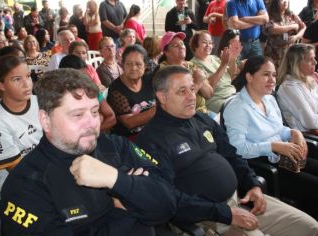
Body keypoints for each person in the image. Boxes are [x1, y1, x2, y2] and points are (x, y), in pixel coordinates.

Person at [135, 65, 318, 236]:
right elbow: (167, 198)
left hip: (241, 199)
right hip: (208, 217)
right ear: (162, 97)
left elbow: (230, 154)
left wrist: (252, 183)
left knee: (311, 228)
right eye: (182, 92)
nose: (192, 96)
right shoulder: (151, 140)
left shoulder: (201, 119)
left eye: (192, 88)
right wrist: (226, 213)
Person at [0, 68, 177, 235]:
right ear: (45, 120)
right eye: (77, 115)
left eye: (94, 112)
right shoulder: (25, 186)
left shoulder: (114, 145)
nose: (92, 123)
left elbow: (167, 205)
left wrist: (116, 179)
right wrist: (130, 206)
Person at [224, 55, 318, 218]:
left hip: (287, 156)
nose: (272, 79)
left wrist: (293, 132)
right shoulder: (238, 107)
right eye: (266, 74)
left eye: (274, 75)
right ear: (249, 77)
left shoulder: (269, 99)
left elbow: (278, 128)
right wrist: (273, 146)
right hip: (264, 165)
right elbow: (236, 148)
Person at [0, 55, 43, 189]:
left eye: (28, 76)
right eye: (17, 79)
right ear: (1, 85)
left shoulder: (39, 101)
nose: (26, 84)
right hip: (20, 180)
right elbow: (16, 169)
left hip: (46, 164)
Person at [107, 44, 156, 140]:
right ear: (122, 65)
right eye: (129, 64)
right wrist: (159, 109)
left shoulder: (150, 79)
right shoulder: (116, 89)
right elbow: (129, 122)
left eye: (138, 64)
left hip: (153, 130)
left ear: (145, 65)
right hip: (131, 138)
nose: (133, 68)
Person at [158, 31, 213, 115]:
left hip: (204, 113)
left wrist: (201, 81)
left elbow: (209, 94)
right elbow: (179, 103)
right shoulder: (164, 70)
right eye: (176, 45)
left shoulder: (191, 65)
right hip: (185, 116)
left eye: (182, 44)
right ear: (166, 52)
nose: (181, 47)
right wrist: (197, 83)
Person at [59, 54, 116, 132]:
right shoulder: (60, 98)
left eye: (84, 77)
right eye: (76, 78)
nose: (82, 82)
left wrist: (93, 133)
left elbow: (111, 117)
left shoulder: (92, 90)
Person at [190, 30, 240, 113]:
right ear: (195, 45)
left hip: (233, 95)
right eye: (204, 42)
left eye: (210, 43)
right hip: (218, 100)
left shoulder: (215, 58)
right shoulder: (193, 64)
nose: (208, 45)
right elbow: (209, 88)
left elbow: (232, 76)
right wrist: (223, 64)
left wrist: (232, 59)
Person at [276, 43, 318, 132]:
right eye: (310, 60)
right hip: (306, 139)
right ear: (297, 63)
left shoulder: (310, 80)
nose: (315, 62)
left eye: (314, 58)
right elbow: (310, 122)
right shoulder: (289, 87)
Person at [264, 0, 306, 69]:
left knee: (288, 73)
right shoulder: (270, 14)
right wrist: (292, 26)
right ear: (276, 2)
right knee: (275, 74)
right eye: (282, 0)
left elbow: (304, 27)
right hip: (274, 52)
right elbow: (273, 29)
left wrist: (296, 37)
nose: (285, 2)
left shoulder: (291, 14)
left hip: (289, 52)